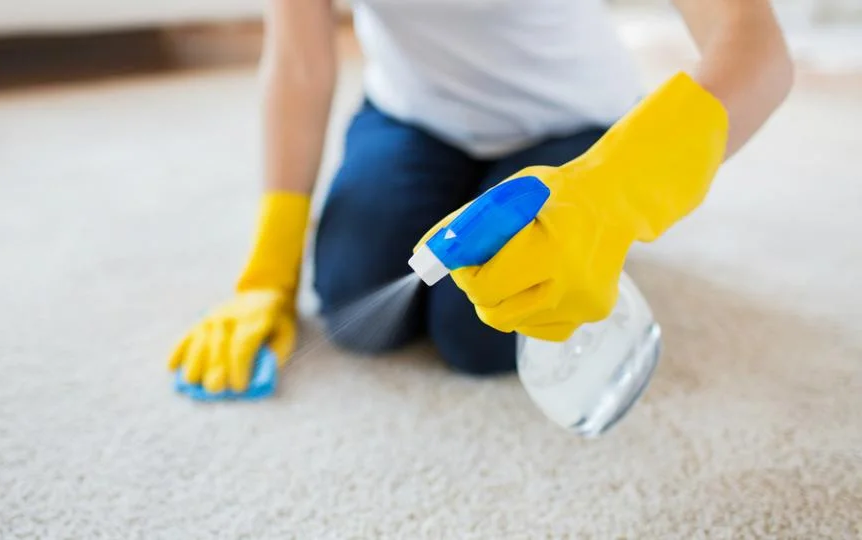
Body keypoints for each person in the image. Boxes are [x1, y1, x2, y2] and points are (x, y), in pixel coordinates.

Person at [169, 0, 793, 393]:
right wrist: (267, 273)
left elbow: (753, 41)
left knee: (480, 335)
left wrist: (615, 191)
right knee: (354, 309)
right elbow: (299, 61)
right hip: (414, 115)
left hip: (569, 126)